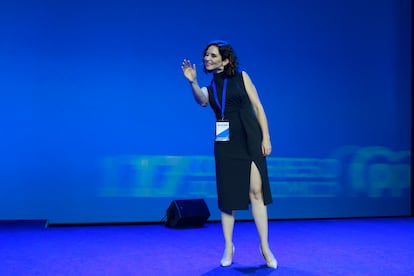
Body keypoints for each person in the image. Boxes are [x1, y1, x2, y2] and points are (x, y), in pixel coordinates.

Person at [181, 40, 277, 269]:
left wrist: (266, 137)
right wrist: (193, 82)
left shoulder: (243, 77)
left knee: (256, 191)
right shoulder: (210, 87)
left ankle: (265, 247)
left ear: (225, 59)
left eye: (212, 55)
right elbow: (201, 100)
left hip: (249, 136)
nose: (207, 59)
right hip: (225, 141)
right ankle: (228, 246)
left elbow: (258, 107)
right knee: (227, 198)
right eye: (206, 56)